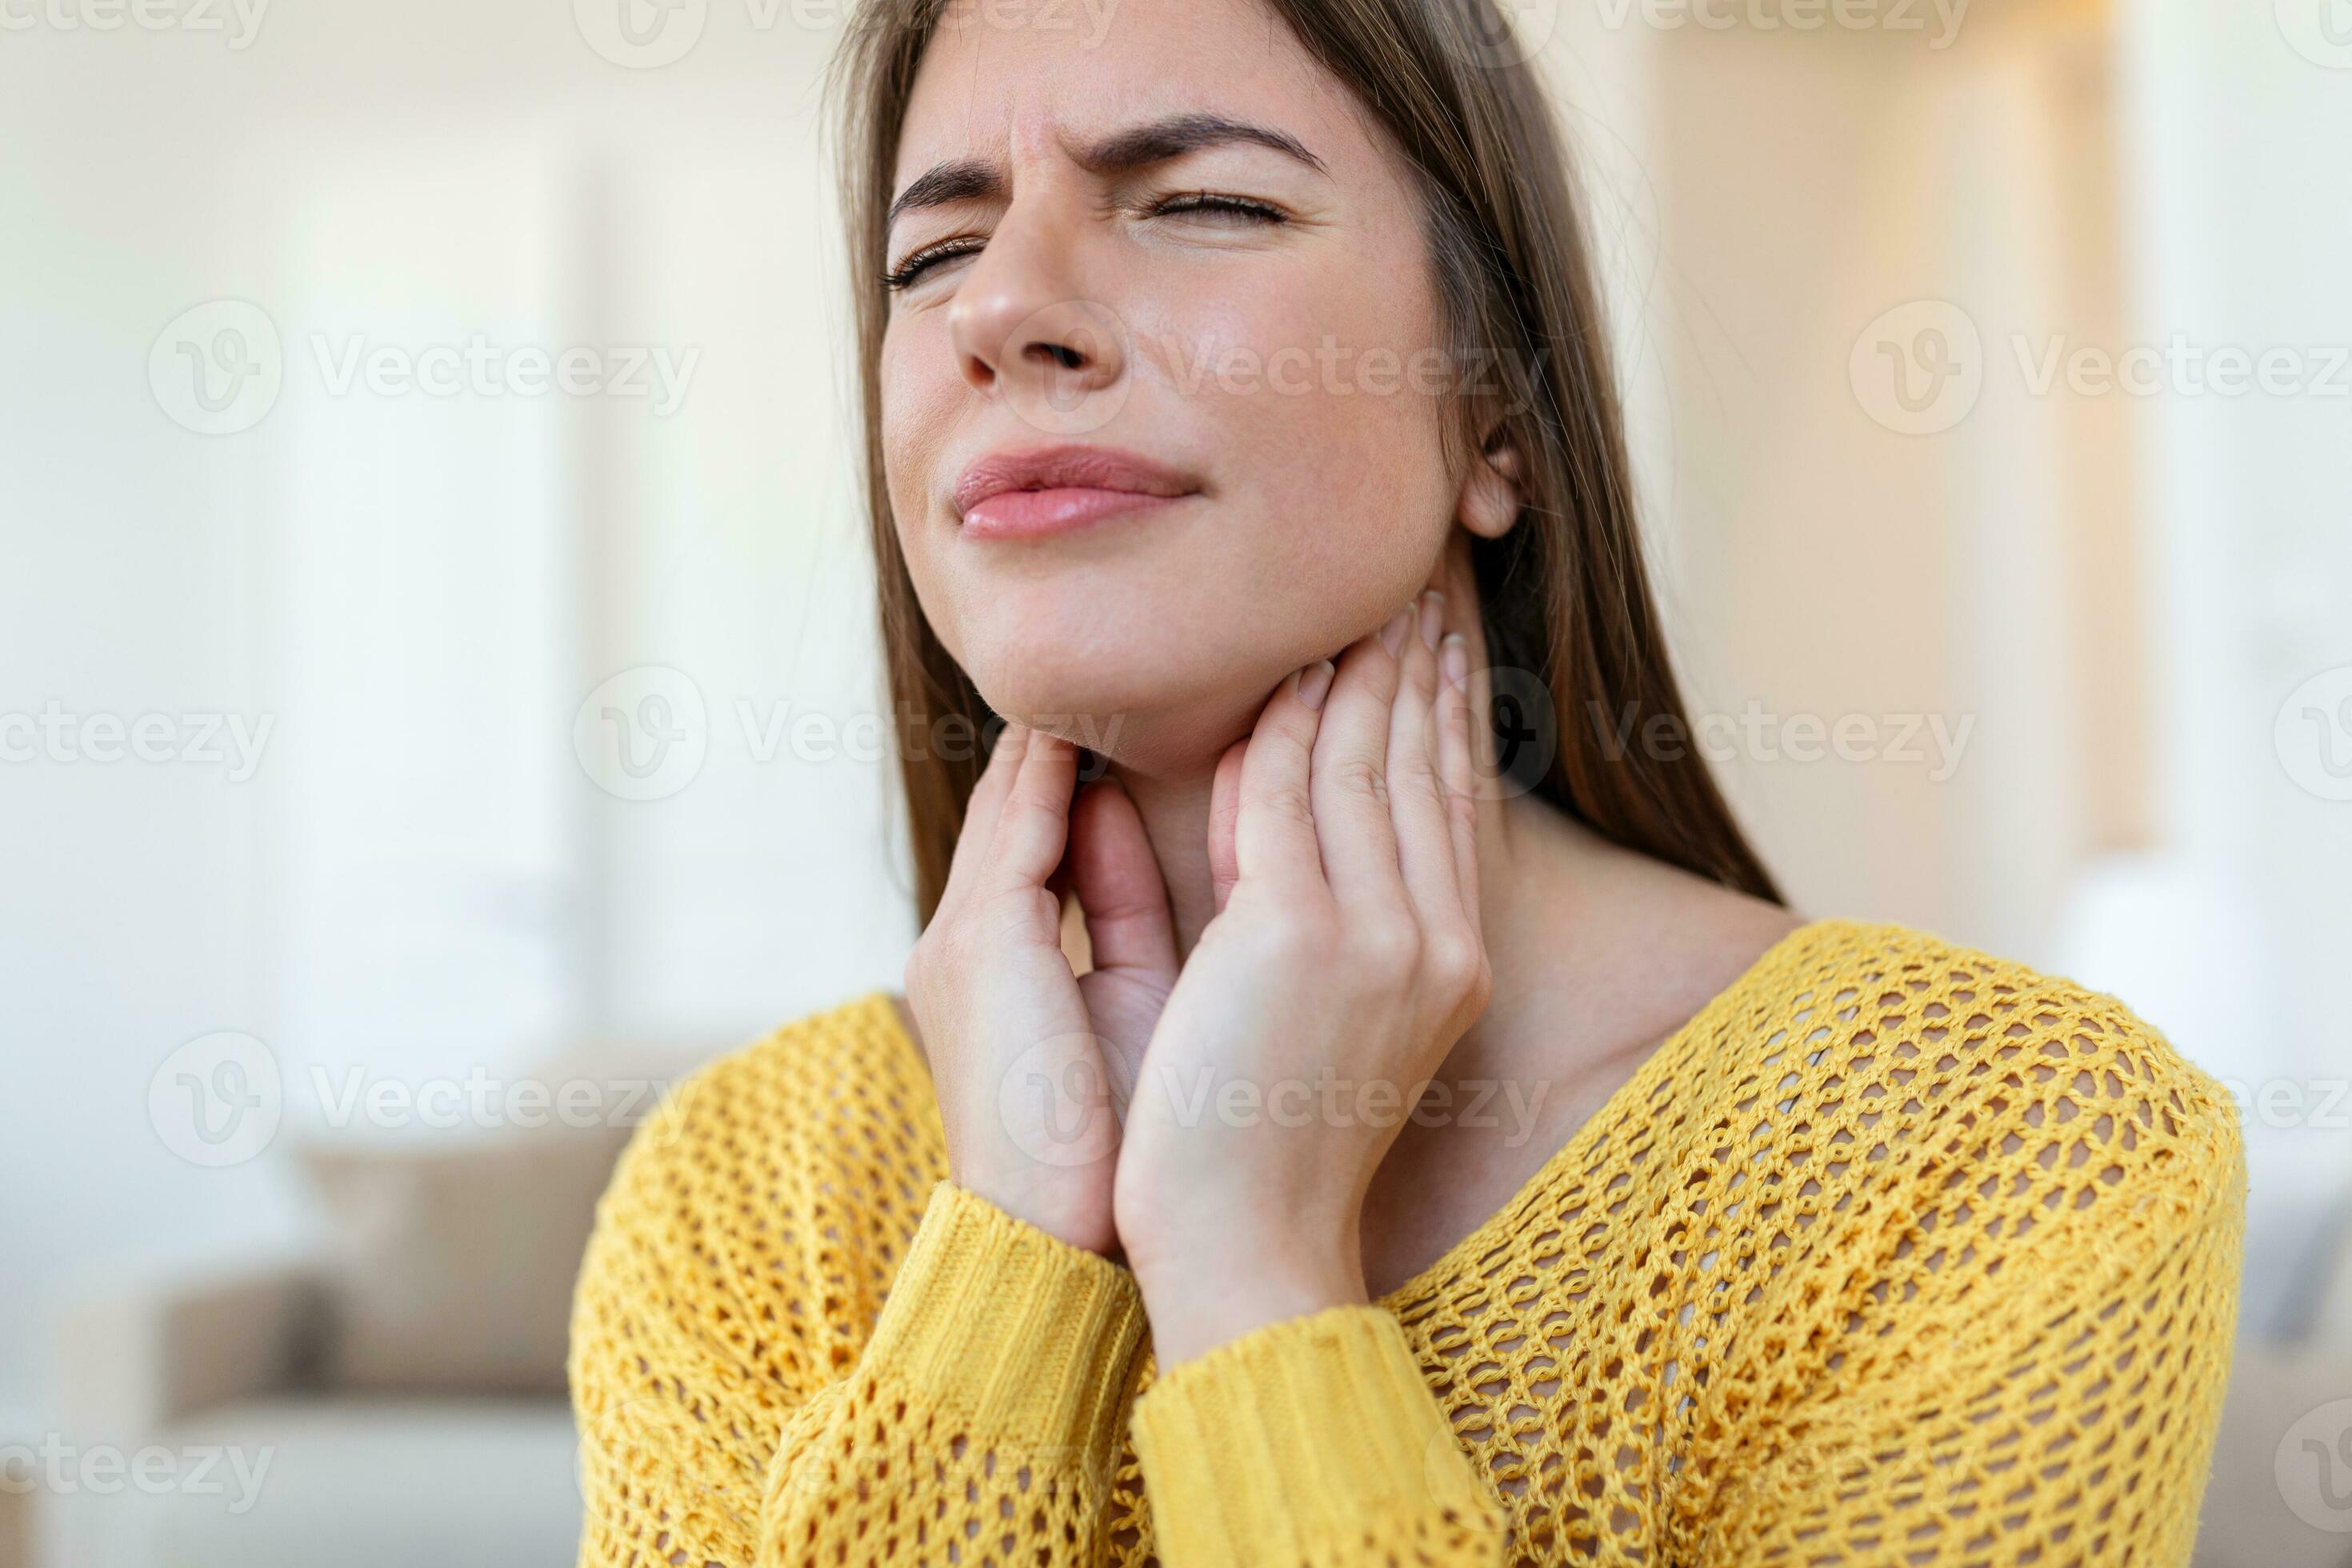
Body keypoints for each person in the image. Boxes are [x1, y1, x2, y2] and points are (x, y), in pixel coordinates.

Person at [570, 1, 2246, 1562]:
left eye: (1203, 203)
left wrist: (1250, 1263)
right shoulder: (739, 1189)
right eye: (933, 251)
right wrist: (1014, 1248)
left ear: (1497, 415)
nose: (997, 308)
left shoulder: (2004, 1152)